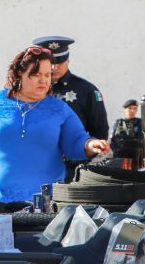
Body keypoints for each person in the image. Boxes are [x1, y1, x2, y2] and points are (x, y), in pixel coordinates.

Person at [0, 46, 109, 212]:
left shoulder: (59, 109)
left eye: (47, 75)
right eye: (36, 75)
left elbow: (75, 140)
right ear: (19, 74)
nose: (44, 80)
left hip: (44, 201)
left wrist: (90, 145)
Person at [32, 35, 108, 181]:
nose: (55, 67)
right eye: (51, 62)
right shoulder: (31, 90)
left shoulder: (86, 90)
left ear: (68, 60)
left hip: (72, 170)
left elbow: (100, 131)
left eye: (60, 61)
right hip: (37, 169)